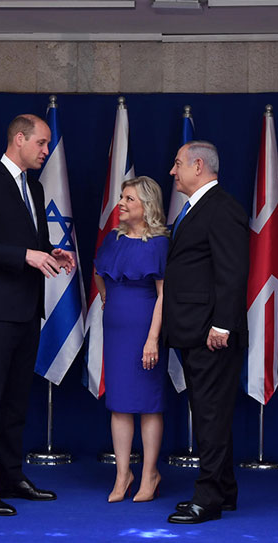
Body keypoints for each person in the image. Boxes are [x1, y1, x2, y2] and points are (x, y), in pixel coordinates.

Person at [0, 114, 75, 516]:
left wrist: (50, 251)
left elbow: (32, 243)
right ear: (20, 139)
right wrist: (25, 255)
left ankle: (12, 476)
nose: (46, 151)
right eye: (42, 143)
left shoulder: (36, 188)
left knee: (15, 401)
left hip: (29, 310)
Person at [162, 141, 249, 524]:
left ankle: (209, 497)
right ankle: (224, 490)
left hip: (212, 332)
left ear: (198, 166)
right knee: (208, 412)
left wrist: (223, 324)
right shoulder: (196, 209)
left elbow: (232, 271)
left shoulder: (222, 208)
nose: (172, 171)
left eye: (177, 163)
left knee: (211, 415)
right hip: (193, 329)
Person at [93, 176, 169, 503]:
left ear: (146, 206)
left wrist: (152, 339)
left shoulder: (160, 243)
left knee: (148, 403)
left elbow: (165, 295)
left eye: (129, 199)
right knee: (119, 402)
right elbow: (99, 272)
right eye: (122, 197)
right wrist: (109, 300)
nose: (121, 204)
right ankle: (123, 474)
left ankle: (150, 473)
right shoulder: (113, 238)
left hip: (145, 330)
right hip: (116, 331)